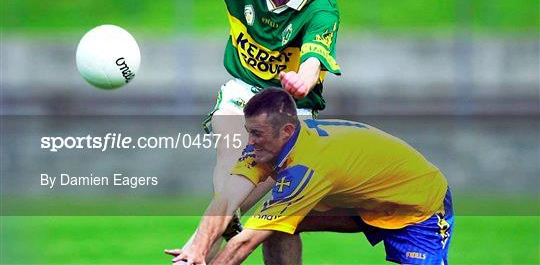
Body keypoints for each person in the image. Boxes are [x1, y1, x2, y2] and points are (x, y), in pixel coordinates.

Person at [102, 0, 341, 257]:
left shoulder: (322, 10)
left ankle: (205, 242)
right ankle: (197, 249)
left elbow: (312, 62)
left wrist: (302, 81)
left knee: (275, 222)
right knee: (233, 182)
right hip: (242, 95)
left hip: (291, 114)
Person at [164, 87, 454, 265]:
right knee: (277, 227)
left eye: (257, 134)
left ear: (286, 131)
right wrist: (197, 251)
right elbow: (226, 200)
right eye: (247, 131)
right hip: (360, 201)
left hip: (418, 209)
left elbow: (244, 242)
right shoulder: (269, 147)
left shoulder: (306, 169)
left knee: (267, 225)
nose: (249, 142)